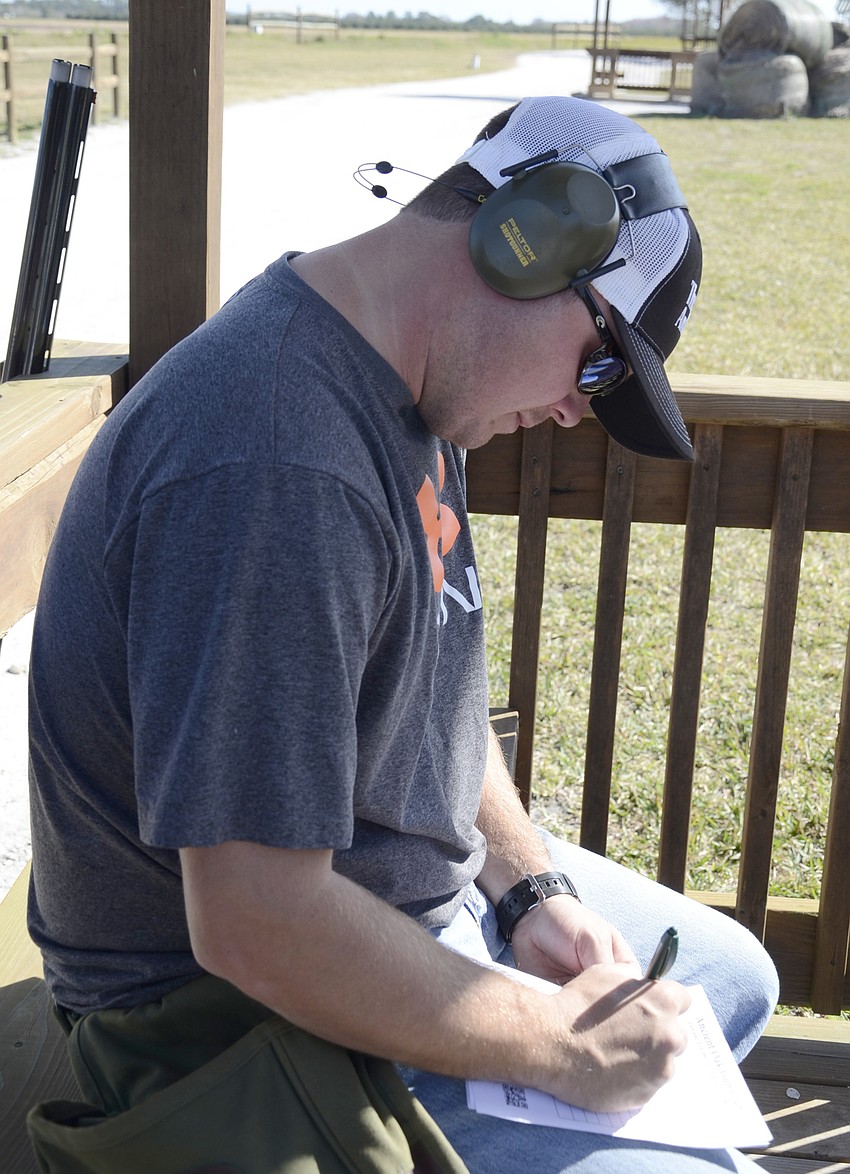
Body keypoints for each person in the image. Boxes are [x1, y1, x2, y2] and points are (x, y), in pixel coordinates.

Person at [27, 95, 778, 1172]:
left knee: (733, 979)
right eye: (601, 361)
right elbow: (253, 924)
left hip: (386, 912)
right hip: (228, 1020)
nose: (578, 409)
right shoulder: (278, 461)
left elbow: (432, 689)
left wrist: (526, 885)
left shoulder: (406, 384)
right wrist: (563, 1049)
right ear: (526, 242)